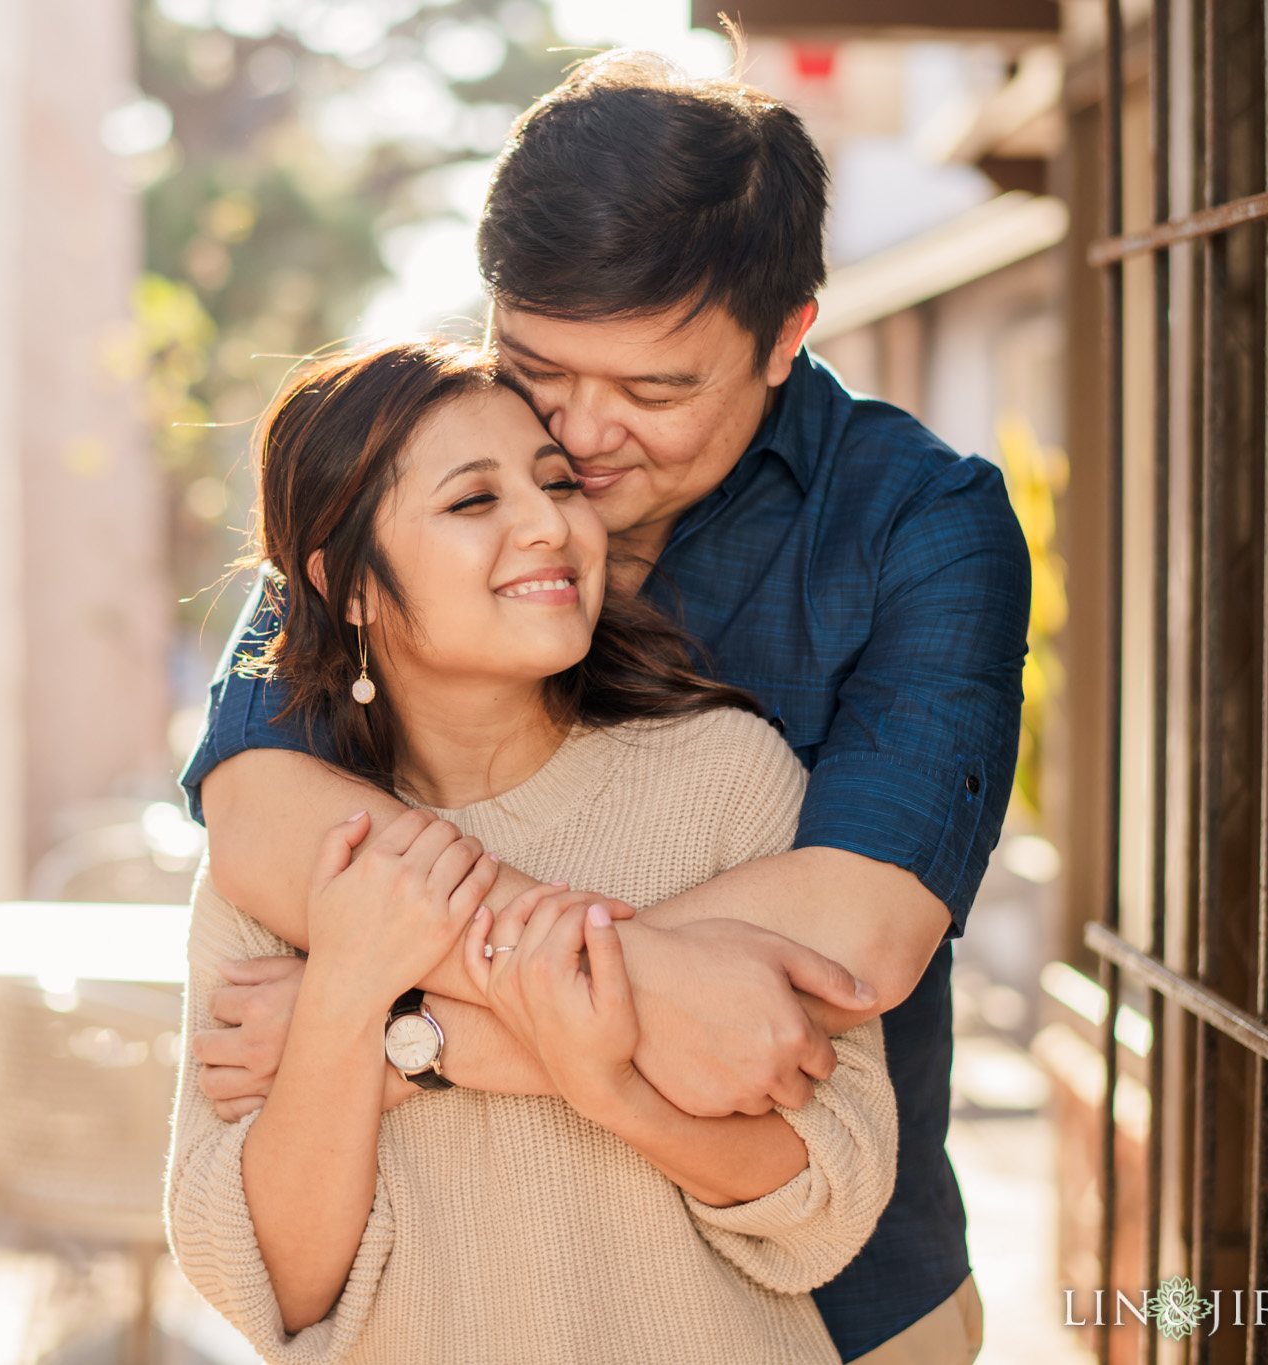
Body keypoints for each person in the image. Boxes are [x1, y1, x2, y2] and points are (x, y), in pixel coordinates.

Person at [182, 52, 1028, 1364]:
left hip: (827, 1298)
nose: (577, 437)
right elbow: (263, 813)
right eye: (537, 367)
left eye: (653, 391)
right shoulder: (392, 483)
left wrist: (383, 1020)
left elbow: (848, 949)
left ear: (788, 333)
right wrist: (601, 1003)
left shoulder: (925, 526)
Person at [166, 339, 897, 1365]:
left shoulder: (727, 777)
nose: (549, 523)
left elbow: (831, 1185)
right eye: (473, 502)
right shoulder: (284, 866)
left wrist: (569, 1079)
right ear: (349, 588)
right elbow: (269, 1285)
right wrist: (345, 985)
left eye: (557, 484)